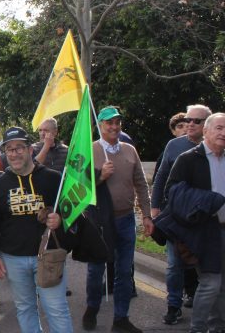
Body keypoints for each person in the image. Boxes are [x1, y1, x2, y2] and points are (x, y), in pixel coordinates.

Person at [0, 126, 71, 332]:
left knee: (56, 309)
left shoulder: (53, 179)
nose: (14, 153)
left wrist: (60, 220)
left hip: (48, 257)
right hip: (13, 258)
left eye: (19, 148)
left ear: (30, 149)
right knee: (25, 308)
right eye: (10, 149)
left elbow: (73, 213)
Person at [83, 106, 153, 333]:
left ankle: (121, 318)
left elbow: (141, 184)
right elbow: (77, 187)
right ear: (99, 125)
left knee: (124, 271)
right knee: (96, 270)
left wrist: (147, 214)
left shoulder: (130, 150)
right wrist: (100, 177)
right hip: (98, 221)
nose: (113, 127)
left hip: (125, 220)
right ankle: (92, 307)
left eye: (117, 123)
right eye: (108, 123)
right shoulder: (89, 150)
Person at [162, 112, 225, 333]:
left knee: (221, 286)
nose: (223, 132)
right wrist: (208, 200)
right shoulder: (188, 159)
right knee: (210, 283)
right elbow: (172, 192)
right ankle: (197, 328)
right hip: (203, 231)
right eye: (219, 127)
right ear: (206, 131)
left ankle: (217, 327)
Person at [151, 105, 212, 324]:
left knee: (207, 265)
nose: (190, 124)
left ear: (208, 123)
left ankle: (205, 309)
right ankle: (173, 305)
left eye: (196, 120)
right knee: (174, 263)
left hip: (206, 218)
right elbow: (160, 178)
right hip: (177, 217)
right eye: (188, 119)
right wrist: (154, 208)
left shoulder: (216, 147)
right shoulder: (174, 146)